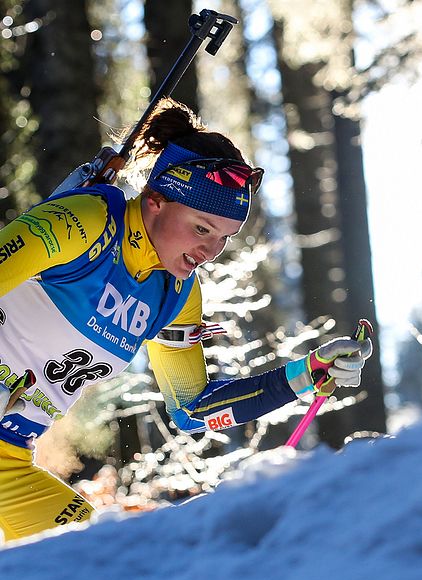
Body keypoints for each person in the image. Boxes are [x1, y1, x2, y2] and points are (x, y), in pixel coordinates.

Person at [0, 97, 372, 542]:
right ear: (156, 201)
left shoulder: (177, 295)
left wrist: (307, 374)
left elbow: (194, 410)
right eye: (201, 228)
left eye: (224, 238)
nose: (211, 251)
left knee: (106, 556)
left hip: (9, 464)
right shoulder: (87, 221)